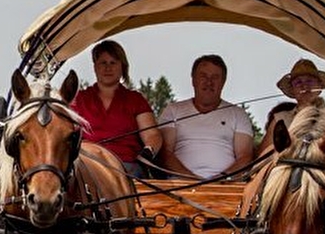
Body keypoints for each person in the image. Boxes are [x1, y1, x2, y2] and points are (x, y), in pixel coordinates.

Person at [69, 39, 162, 177]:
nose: (108, 68)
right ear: (95, 67)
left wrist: (148, 151)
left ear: (122, 67)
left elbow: (152, 135)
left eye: (113, 63)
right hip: (88, 166)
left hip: (126, 167)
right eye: (103, 63)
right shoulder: (79, 99)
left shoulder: (135, 100)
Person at [159, 54, 254, 178]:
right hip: (179, 186)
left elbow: (245, 156)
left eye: (215, 77)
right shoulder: (173, 110)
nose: (209, 82)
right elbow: (165, 153)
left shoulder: (238, 114)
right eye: (203, 76)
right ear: (193, 80)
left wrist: (221, 179)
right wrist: (190, 178)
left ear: (223, 82)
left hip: (225, 186)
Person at [267, 58, 325, 132]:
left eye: (309, 81)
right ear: (292, 90)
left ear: (319, 86)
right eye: (298, 82)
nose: (304, 86)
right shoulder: (281, 119)